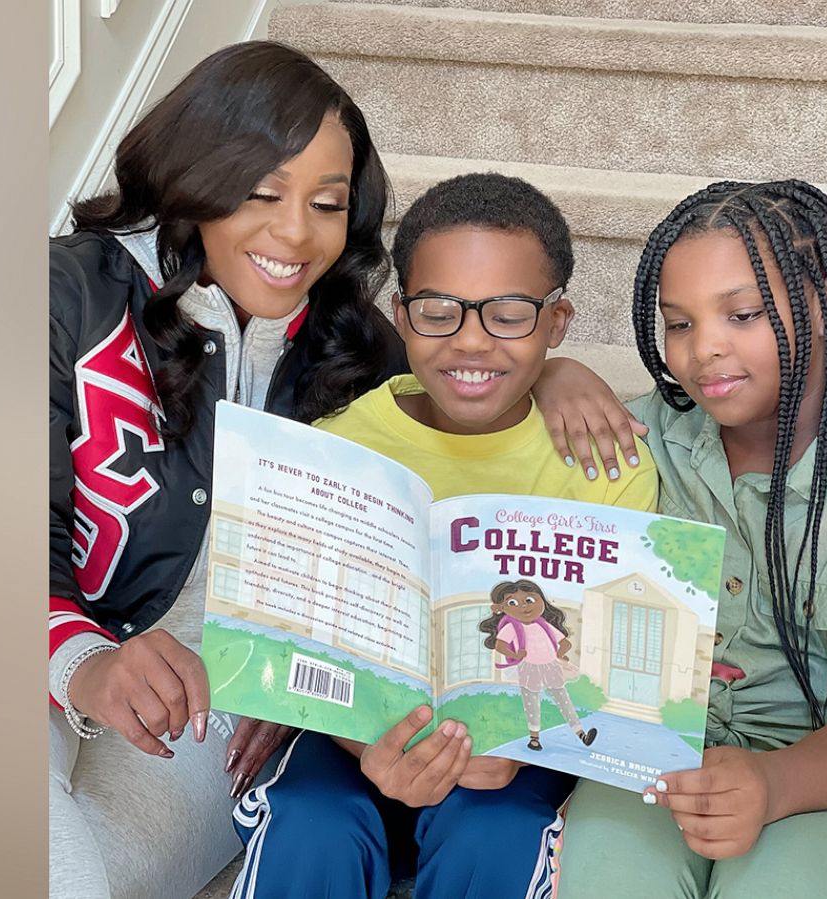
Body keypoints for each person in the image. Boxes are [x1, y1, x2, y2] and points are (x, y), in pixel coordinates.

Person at [225, 173, 657, 899]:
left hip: (517, 759)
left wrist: (521, 747)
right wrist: (367, 745)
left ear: (558, 324)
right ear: (400, 314)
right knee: (309, 819)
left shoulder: (604, 461)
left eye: (510, 313)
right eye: (438, 310)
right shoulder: (334, 447)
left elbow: (612, 666)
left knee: (501, 833)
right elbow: (292, 644)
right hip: (348, 744)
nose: (472, 341)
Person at [47, 41, 410, 899]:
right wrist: (84, 660)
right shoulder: (67, 295)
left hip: (216, 711)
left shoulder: (359, 349)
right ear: (198, 177)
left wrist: (558, 373)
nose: (296, 233)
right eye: (262, 192)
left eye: (326, 203)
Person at [542, 180, 827, 898]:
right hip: (650, 753)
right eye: (678, 323)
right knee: (606, 877)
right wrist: (551, 374)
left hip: (819, 768)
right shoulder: (640, 438)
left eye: (743, 313)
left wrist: (774, 781)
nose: (706, 347)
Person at [479, 579, 597, 751]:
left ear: (541, 600)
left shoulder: (543, 624)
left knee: (563, 699)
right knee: (531, 701)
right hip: (529, 667)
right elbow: (500, 645)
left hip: (550, 665)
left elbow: (564, 643)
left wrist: (560, 653)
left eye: (529, 600)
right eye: (512, 603)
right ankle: (534, 739)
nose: (523, 607)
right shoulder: (512, 626)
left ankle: (580, 733)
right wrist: (515, 654)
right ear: (502, 608)